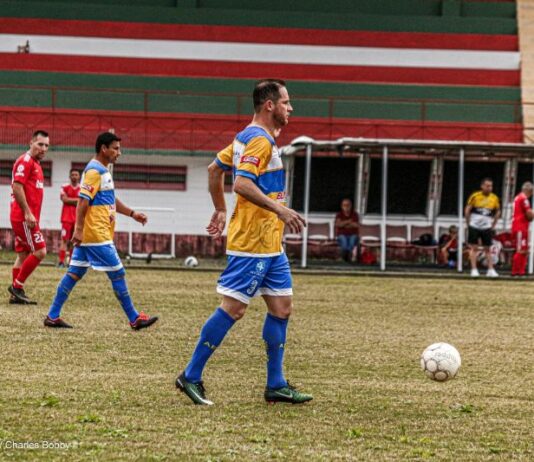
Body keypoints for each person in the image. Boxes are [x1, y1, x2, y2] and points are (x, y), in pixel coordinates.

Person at [175, 79, 312, 405]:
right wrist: (280, 208)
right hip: (252, 242)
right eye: (286, 102)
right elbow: (241, 183)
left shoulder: (245, 137)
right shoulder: (260, 141)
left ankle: (276, 384)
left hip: (270, 243)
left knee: (282, 308)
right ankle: (190, 376)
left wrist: (220, 210)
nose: (290, 108)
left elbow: (214, 168)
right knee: (234, 308)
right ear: (270, 105)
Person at [44, 132, 158, 330]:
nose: (119, 153)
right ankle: (134, 318)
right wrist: (78, 230)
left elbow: (111, 199)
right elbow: (82, 201)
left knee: (74, 273)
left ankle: (52, 316)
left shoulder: (104, 171)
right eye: (115, 148)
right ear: (103, 149)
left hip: (94, 233)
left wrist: (132, 213)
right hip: (95, 234)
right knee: (118, 273)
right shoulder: (94, 171)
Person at [8, 130, 49, 305]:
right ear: (31, 142)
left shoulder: (36, 164)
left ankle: (15, 296)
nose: (43, 148)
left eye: (46, 145)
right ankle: (17, 287)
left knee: (23, 254)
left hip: (26, 217)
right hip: (24, 218)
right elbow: (17, 187)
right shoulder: (25, 161)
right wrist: (27, 212)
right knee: (40, 251)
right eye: (40, 144)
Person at [465, 178, 500, 278]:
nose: (489, 188)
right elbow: (468, 209)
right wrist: (468, 222)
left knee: (488, 248)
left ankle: (490, 270)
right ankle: (474, 269)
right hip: (474, 225)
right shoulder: (475, 196)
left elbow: (498, 210)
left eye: (491, 186)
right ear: (482, 186)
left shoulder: (494, 198)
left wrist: (493, 224)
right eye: (487, 186)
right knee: (474, 248)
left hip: (486, 227)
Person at [58, 168, 81, 267]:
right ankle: (61, 261)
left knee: (74, 241)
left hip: (77, 219)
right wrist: (77, 201)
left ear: (79, 177)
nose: (74, 176)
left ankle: (71, 262)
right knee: (64, 240)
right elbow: (64, 200)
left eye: (76, 175)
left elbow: (84, 202)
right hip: (66, 218)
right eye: (73, 175)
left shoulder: (82, 188)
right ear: (70, 176)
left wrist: (70, 199)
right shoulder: (64, 187)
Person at [511, 182, 533, 276]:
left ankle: (520, 271)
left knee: (523, 249)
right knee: (520, 250)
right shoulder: (524, 199)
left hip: (519, 226)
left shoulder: (517, 197)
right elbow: (529, 215)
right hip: (520, 227)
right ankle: (516, 271)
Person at [335, 198, 359, 262]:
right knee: (344, 242)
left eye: (348, 205)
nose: (346, 207)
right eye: (344, 205)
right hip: (341, 234)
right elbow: (338, 225)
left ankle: (344, 257)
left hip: (353, 234)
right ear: (342, 206)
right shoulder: (339, 214)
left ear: (351, 206)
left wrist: (344, 223)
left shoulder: (354, 214)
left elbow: (356, 225)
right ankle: (348, 257)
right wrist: (349, 221)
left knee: (352, 240)